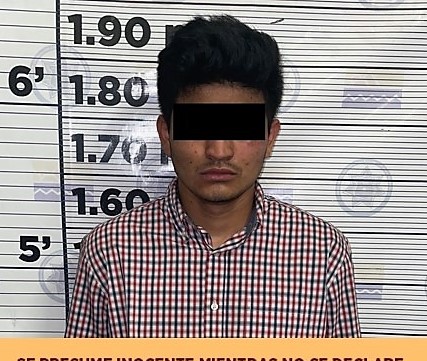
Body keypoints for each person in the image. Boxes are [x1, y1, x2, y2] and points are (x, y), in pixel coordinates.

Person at [65, 15, 360, 338]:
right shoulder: (109, 252)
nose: (219, 151)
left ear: (270, 137)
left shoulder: (323, 253)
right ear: (166, 134)